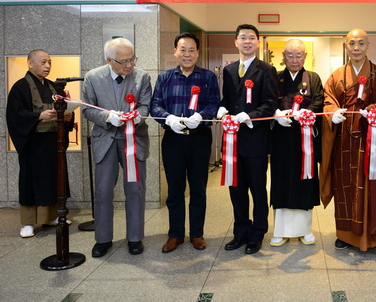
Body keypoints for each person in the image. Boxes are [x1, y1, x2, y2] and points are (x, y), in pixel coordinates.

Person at [321, 28, 376, 251]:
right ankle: (345, 234)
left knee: (372, 185)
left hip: (372, 141)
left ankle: (373, 235)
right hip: (345, 142)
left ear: (368, 45)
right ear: (346, 46)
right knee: (345, 187)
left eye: (361, 44)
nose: (356, 48)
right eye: (352, 43)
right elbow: (327, 101)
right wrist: (332, 112)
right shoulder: (337, 75)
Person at [82, 38, 152, 257]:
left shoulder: (142, 77)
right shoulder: (93, 77)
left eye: (132, 59)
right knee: (103, 191)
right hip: (106, 139)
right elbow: (86, 109)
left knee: (135, 190)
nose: (129, 65)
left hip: (134, 139)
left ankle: (134, 238)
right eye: (123, 61)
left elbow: (145, 106)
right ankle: (103, 239)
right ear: (109, 60)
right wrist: (107, 117)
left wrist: (134, 117)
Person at [151, 33, 219, 253]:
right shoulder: (164, 78)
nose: (187, 54)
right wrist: (168, 119)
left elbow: (215, 104)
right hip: (173, 140)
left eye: (191, 50)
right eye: (183, 49)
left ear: (198, 53)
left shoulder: (208, 77)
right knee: (175, 189)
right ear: (175, 52)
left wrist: (201, 116)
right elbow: (155, 106)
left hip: (199, 139)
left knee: (198, 189)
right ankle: (175, 235)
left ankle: (197, 234)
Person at [217, 24, 277, 254]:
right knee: (236, 188)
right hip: (232, 142)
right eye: (243, 38)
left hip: (256, 140)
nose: (247, 41)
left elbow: (270, 104)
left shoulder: (266, 69)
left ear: (258, 42)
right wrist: (221, 110)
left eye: (252, 38)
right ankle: (240, 231)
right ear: (236, 42)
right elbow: (227, 99)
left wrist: (248, 116)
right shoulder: (230, 70)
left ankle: (258, 232)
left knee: (258, 189)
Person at [6, 50, 74, 238]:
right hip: (33, 142)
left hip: (53, 141)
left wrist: (68, 115)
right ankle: (27, 223)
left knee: (53, 178)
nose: (47, 66)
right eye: (43, 62)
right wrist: (38, 116)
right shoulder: (20, 87)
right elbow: (15, 116)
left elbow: (64, 107)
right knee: (32, 180)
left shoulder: (54, 87)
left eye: (50, 62)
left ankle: (51, 216)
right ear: (30, 63)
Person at [270, 39, 323, 247]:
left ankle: (304, 230)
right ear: (283, 56)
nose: (294, 59)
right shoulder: (275, 77)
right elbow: (268, 100)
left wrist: (309, 113)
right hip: (282, 139)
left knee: (305, 181)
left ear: (305, 56)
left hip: (305, 140)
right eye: (290, 55)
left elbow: (320, 100)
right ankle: (281, 231)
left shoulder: (314, 78)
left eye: (298, 55)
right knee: (281, 180)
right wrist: (275, 113)